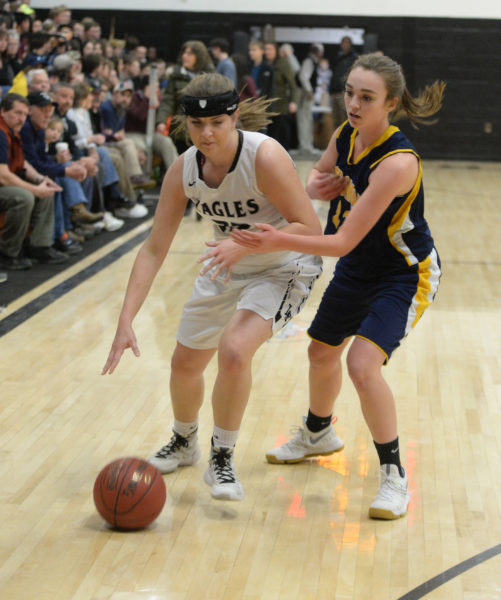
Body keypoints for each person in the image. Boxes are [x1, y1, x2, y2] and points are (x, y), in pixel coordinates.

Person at [231, 53, 445, 519]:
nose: (352, 103)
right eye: (349, 92)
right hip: (357, 266)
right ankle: (317, 434)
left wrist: (273, 239)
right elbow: (315, 176)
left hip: (403, 272)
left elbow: (343, 239)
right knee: (321, 350)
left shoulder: (397, 162)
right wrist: (316, 186)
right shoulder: (346, 134)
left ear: (389, 104)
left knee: (363, 364)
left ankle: (394, 475)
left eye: (365, 97)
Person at [102, 73, 323, 502]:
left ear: (235, 118)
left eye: (217, 124)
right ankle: (184, 443)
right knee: (185, 364)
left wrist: (242, 244)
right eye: (197, 125)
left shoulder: (265, 156)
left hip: (284, 264)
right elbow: (153, 249)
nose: (206, 134)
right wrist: (125, 319)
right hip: (226, 261)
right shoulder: (183, 169)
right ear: (185, 123)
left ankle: (222, 457)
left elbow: (310, 228)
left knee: (235, 350)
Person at [0, 93, 66, 270]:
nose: (22, 118)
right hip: (2, 183)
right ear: (2, 112)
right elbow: (3, 175)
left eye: (24, 114)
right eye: (17, 113)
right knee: (24, 197)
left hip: (5, 183)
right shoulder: (0, 133)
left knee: (45, 190)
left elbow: (23, 163)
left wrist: (41, 180)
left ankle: (39, 247)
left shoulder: (14, 131)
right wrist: (34, 189)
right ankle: (7, 253)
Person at [296, 43, 324, 155]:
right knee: (304, 120)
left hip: (306, 93)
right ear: (318, 52)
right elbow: (303, 76)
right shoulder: (310, 61)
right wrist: (309, 90)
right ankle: (305, 146)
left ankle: (307, 145)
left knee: (306, 119)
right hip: (305, 94)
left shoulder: (311, 60)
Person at [330, 36, 359, 128]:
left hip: (344, 91)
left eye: (347, 43)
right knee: (335, 119)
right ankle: (337, 140)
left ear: (351, 45)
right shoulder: (338, 57)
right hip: (334, 91)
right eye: (343, 42)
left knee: (345, 118)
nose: (345, 45)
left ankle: (346, 141)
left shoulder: (354, 58)